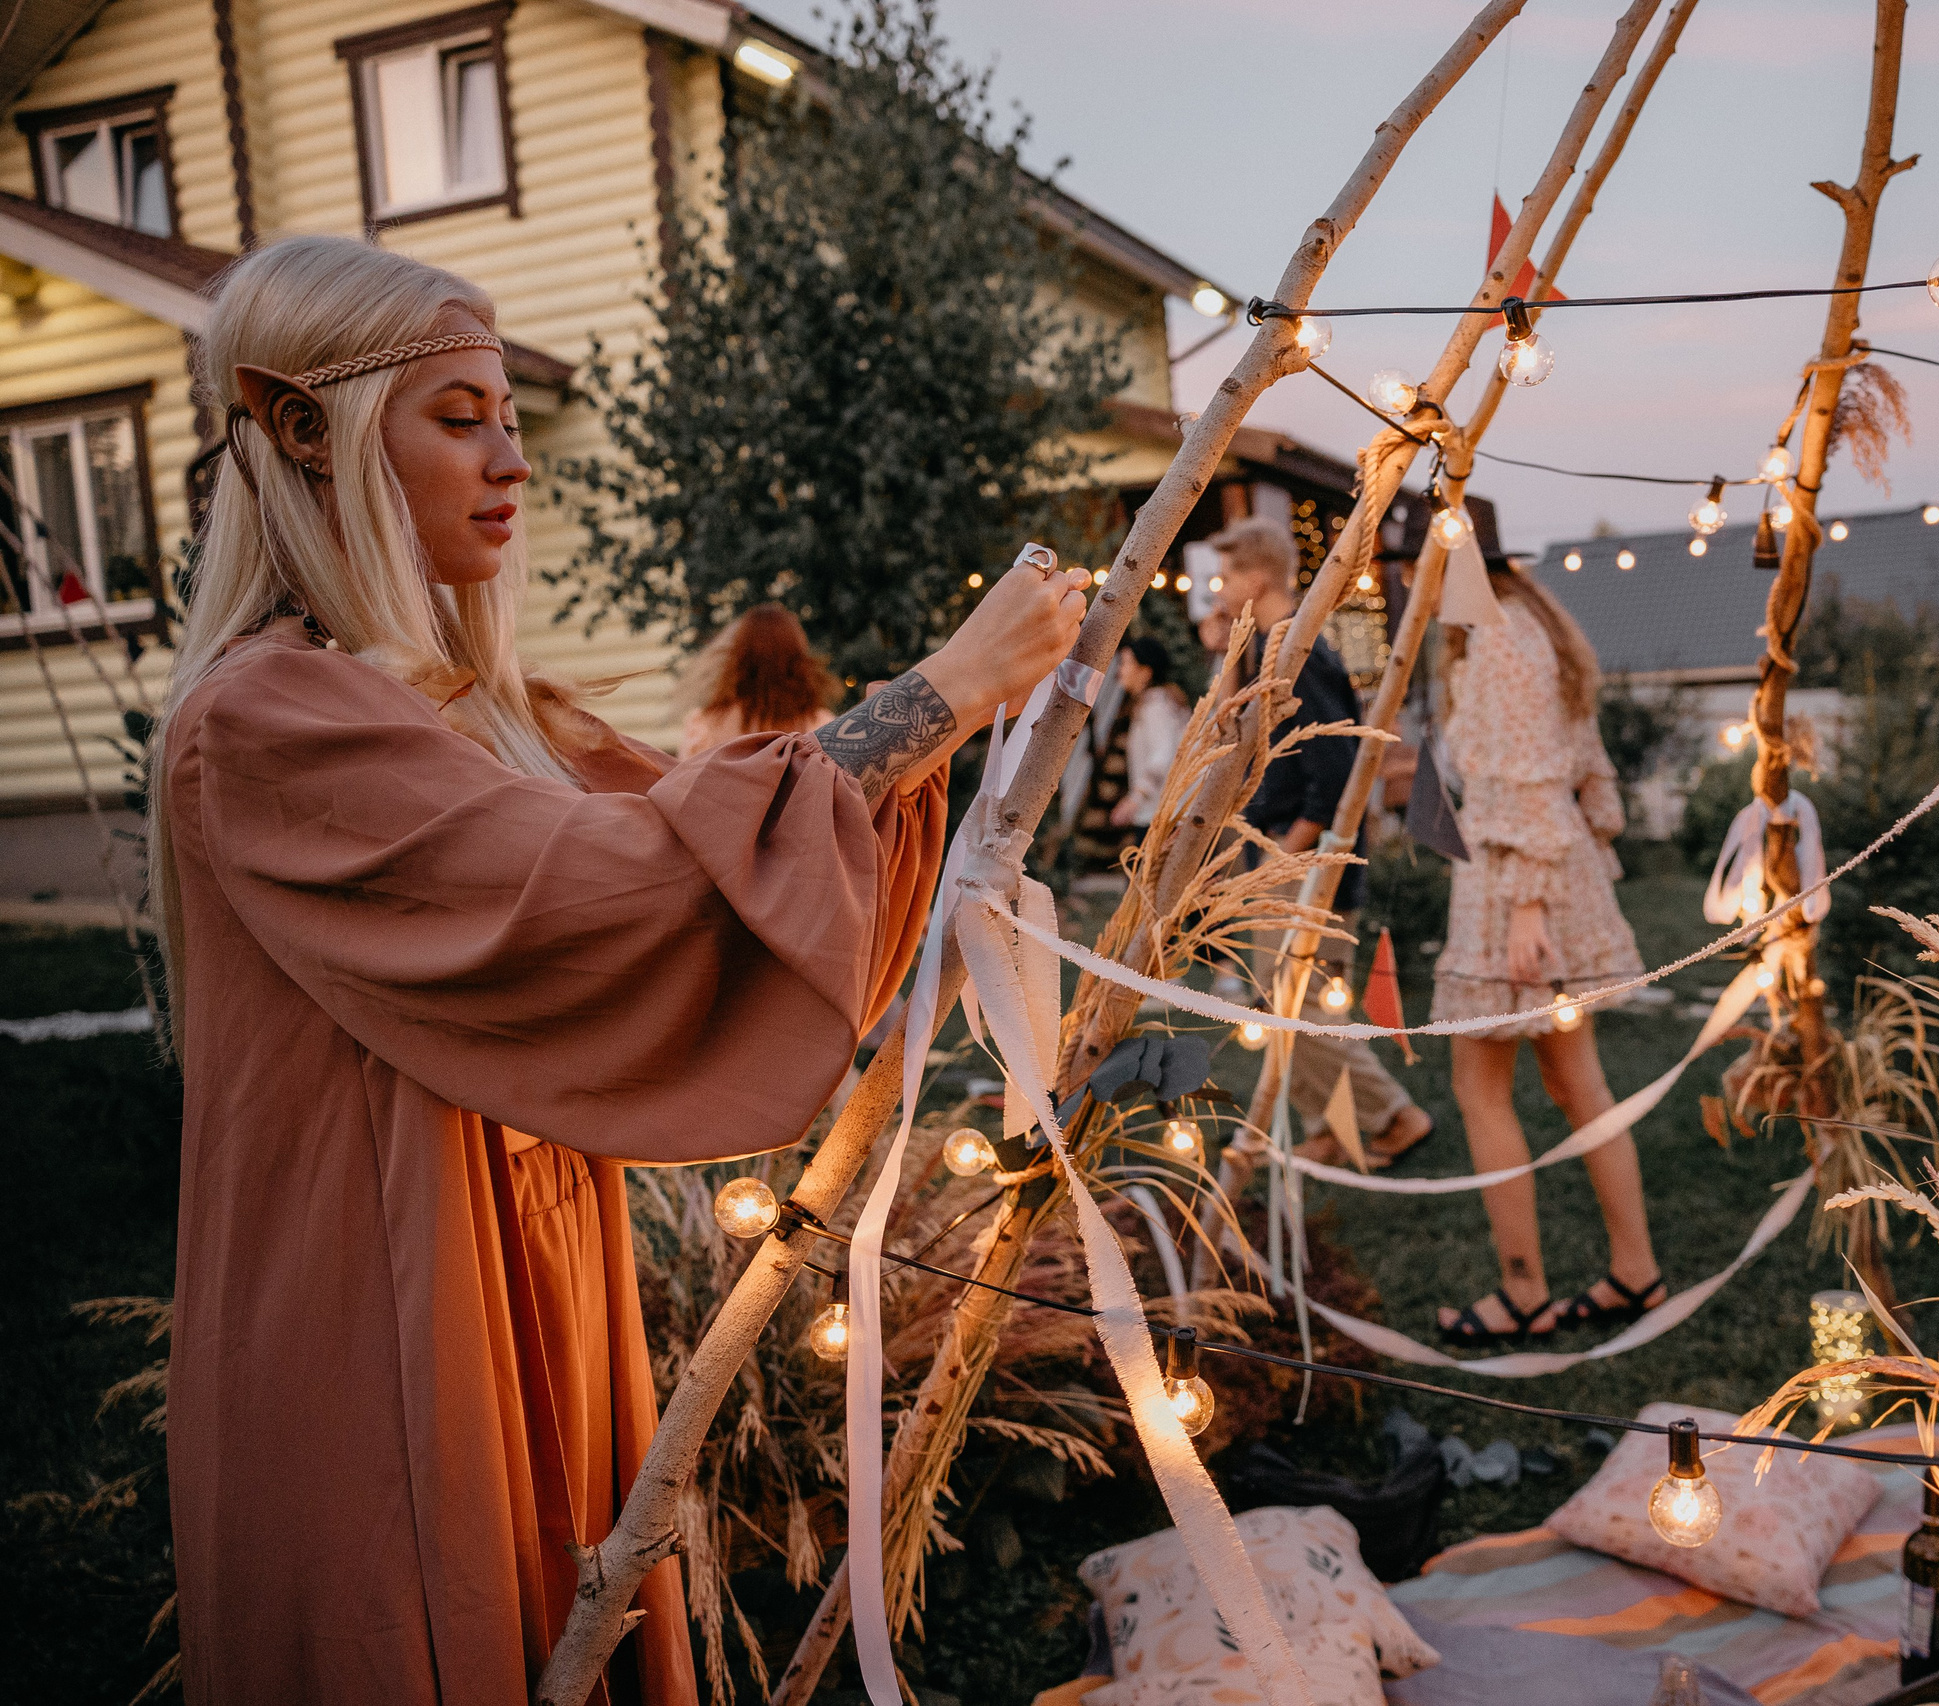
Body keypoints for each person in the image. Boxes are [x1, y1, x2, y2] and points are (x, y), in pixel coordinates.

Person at [149, 234, 1088, 1704]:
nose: (511, 458)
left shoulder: (487, 713)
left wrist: (951, 734)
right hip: (379, 1289)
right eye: (459, 417)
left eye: (511, 415)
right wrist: (944, 690)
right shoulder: (265, 720)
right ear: (298, 427)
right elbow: (624, 894)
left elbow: (720, 865)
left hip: (527, 1257)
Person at [1429, 555, 1661, 1343]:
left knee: (1481, 1085)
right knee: (1575, 1082)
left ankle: (1523, 1292)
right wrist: (1589, 852)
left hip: (1515, 887)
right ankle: (1635, 1271)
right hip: (1552, 867)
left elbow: (1530, 772)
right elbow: (1585, 766)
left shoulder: (1499, 638)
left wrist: (1530, 903)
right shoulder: (1534, 629)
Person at [1208, 514, 1431, 1165]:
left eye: (1225, 576)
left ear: (1255, 575)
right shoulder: (1263, 648)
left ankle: (1394, 1115)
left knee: (1293, 1011)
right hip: (1280, 855)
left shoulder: (1298, 652)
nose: (1218, 590)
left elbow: (1334, 771)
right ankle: (1328, 1130)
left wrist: (1281, 855)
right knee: (1293, 1010)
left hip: (1305, 862)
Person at [677, 601, 842, 757]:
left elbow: (688, 784)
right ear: (798, 659)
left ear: (738, 656)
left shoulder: (703, 725)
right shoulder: (823, 728)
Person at [1109, 634, 1191, 827]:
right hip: (1166, 812)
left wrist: (1136, 798)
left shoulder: (1155, 707)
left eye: (1125, 663)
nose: (1120, 671)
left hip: (1161, 816)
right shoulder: (1160, 703)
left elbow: (1163, 755)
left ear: (1145, 672)